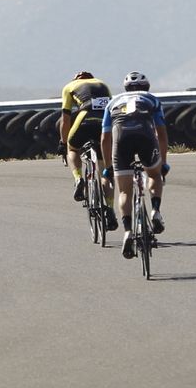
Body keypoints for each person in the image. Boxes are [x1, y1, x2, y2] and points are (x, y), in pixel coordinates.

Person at [99, 71, 170, 259]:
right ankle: (155, 210)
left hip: (121, 138)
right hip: (145, 134)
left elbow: (105, 138)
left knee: (124, 191)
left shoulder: (112, 102)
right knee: (153, 174)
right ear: (146, 87)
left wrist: (107, 167)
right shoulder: (152, 99)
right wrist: (163, 163)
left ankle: (128, 230)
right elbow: (161, 134)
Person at [59, 70, 114, 216]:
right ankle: (110, 208)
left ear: (76, 78)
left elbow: (65, 119)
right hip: (104, 121)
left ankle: (78, 178)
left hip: (85, 115)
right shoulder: (103, 84)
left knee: (73, 148)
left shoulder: (70, 86)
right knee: (104, 171)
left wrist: (63, 143)